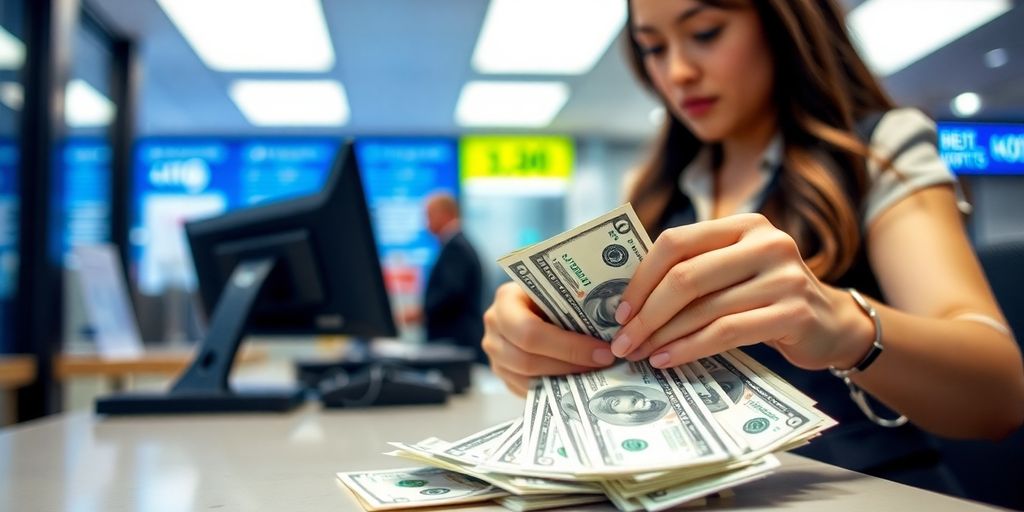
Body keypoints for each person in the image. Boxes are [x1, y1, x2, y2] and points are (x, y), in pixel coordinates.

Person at [481, 0, 1024, 495]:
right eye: (653, 48)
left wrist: (843, 324)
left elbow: (1000, 395)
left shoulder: (879, 151)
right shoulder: (650, 194)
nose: (677, 72)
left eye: (706, 32)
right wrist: (536, 351)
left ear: (783, 23)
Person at [405, 192, 486, 362]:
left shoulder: (455, 248)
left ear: (445, 214)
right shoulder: (457, 244)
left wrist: (423, 312)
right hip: (455, 338)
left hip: (453, 339)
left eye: (429, 216)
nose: (426, 224)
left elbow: (451, 291)